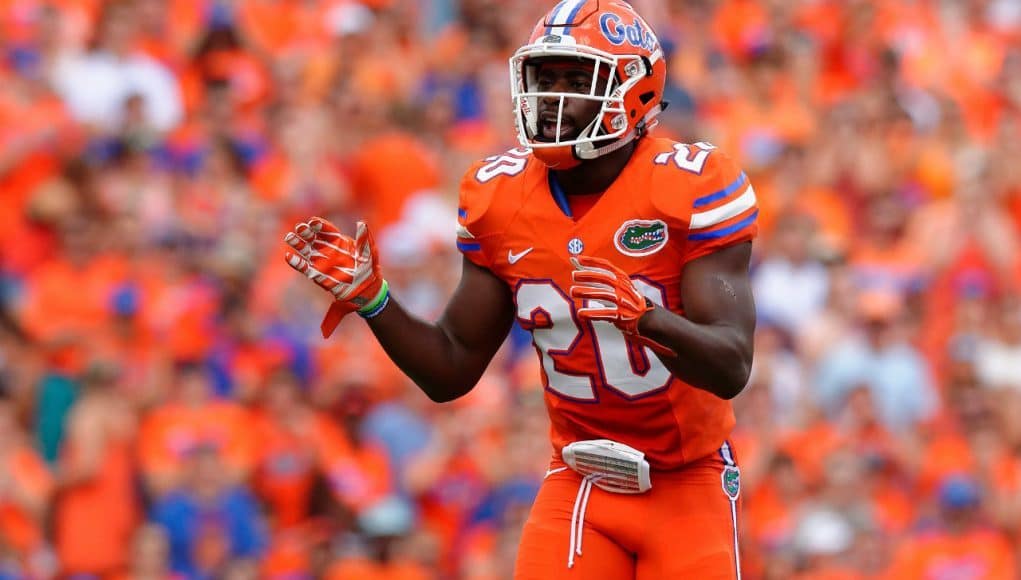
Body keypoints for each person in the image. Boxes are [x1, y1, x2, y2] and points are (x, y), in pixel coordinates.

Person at [284, 1, 757, 577]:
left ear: (635, 90)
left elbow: (732, 364)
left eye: (577, 79)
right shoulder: (500, 197)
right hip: (582, 481)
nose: (552, 99)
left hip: (691, 478)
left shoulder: (693, 185)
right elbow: (451, 368)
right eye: (546, 78)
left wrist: (648, 320)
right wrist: (374, 301)